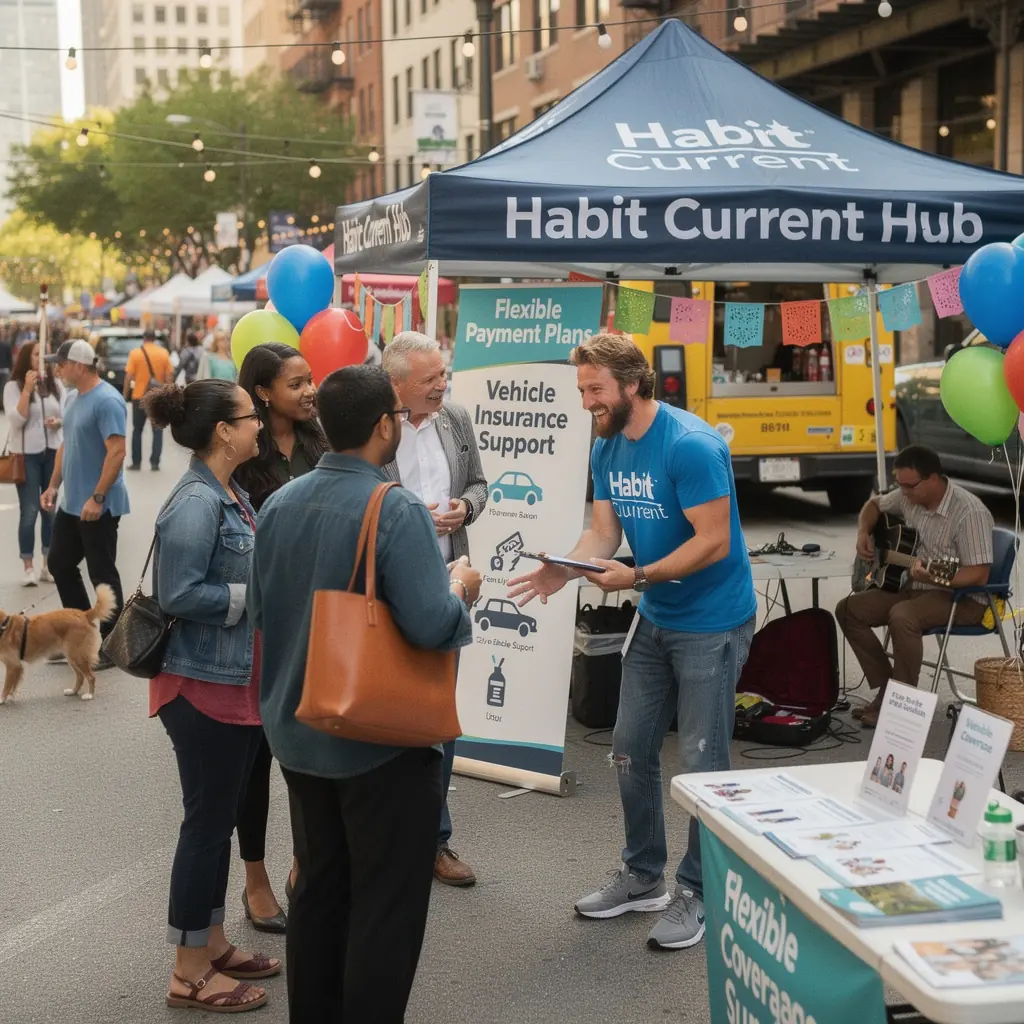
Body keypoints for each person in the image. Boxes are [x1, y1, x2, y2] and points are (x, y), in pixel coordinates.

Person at [248, 364, 481, 1023]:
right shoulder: (394, 507)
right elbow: (433, 624)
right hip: (378, 740)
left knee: (319, 889)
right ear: (383, 424)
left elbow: (260, 612)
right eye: (399, 418)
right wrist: (462, 587)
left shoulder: (279, 504)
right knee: (385, 908)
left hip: (299, 730)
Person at [508, 333, 756, 952]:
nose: (586, 402)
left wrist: (638, 576)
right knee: (628, 748)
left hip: (713, 622)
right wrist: (565, 569)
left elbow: (713, 542)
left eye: (595, 390)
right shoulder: (607, 444)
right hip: (656, 615)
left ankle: (699, 889)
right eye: (582, 389)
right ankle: (643, 875)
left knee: (701, 761)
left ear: (633, 384)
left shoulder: (691, 445)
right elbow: (602, 532)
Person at [144, 378, 279, 1014]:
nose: (261, 424)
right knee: (205, 828)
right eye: (251, 416)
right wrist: (256, 598)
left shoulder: (229, 491)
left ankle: (213, 941)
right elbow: (178, 593)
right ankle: (188, 972)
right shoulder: (196, 502)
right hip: (201, 687)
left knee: (218, 823)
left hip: (233, 683)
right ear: (224, 431)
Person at [381, 330, 488, 887]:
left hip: (449, 584)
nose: (442, 385)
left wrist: (464, 508)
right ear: (396, 384)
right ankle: (385, 838)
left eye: (443, 374)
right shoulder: (377, 427)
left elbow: (480, 485)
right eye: (430, 379)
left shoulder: (456, 419)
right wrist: (412, 517)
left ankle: (434, 840)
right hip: (388, 591)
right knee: (387, 718)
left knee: (441, 720)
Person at [233, 342, 328, 931]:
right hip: (265, 625)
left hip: (322, 622)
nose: (310, 390)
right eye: (296, 383)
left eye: (311, 378)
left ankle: (303, 865)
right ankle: (255, 878)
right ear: (264, 393)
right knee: (256, 759)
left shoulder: (323, 442)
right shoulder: (243, 453)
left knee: (310, 757)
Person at [837, 444, 993, 729]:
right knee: (849, 609)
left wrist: (933, 577)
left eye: (909, 486)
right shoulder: (908, 494)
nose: (904, 493)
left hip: (961, 597)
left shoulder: (969, 512)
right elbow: (874, 505)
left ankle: (901, 706)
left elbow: (978, 574)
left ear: (933, 479)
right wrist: (864, 532)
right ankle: (888, 689)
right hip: (914, 586)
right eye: (900, 485)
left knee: (903, 615)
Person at [41, 340, 129, 657]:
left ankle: (114, 645)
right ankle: (81, 635)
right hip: (72, 502)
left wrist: (98, 497)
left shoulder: (108, 401)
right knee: (59, 563)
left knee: (102, 573)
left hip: (98, 505)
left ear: (79, 366)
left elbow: (117, 452)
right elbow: (66, 446)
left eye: (61, 364)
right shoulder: (72, 398)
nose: (57, 370)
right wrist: (53, 486)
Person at [3, 341, 66, 586]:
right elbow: (16, 420)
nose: (41, 359)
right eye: (37, 354)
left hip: (52, 452)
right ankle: (28, 566)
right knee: (29, 511)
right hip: (26, 455)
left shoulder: (55, 384)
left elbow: (65, 415)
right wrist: (27, 391)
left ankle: (47, 565)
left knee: (50, 510)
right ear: (26, 358)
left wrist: (57, 422)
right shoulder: (13, 386)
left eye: (44, 354)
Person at [123, 329, 174, 471]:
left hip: (139, 397)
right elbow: (169, 377)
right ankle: (155, 463)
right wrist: (168, 395)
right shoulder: (163, 353)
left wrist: (125, 395)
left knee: (137, 430)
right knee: (157, 430)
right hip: (157, 398)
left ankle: (136, 462)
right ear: (154, 338)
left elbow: (128, 377)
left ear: (144, 338)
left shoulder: (135, 353)